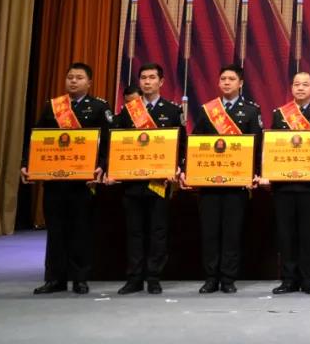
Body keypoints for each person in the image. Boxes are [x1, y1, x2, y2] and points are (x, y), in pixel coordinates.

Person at [21, 62, 113, 295]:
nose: (73, 81)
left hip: (84, 182)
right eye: (70, 77)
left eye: (79, 78)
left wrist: (102, 167)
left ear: (89, 82)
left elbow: (108, 144)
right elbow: (36, 139)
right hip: (55, 180)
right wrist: (26, 164)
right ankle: (55, 279)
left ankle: (80, 278)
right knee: (55, 230)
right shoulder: (53, 106)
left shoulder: (99, 107)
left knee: (81, 230)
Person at [181, 64, 262, 294]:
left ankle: (228, 278)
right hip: (209, 182)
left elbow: (257, 145)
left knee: (232, 232)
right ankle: (210, 278)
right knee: (210, 232)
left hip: (237, 183)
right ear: (218, 83)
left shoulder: (251, 110)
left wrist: (255, 172)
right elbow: (195, 143)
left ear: (241, 83)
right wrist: (188, 170)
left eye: (231, 79)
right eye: (223, 79)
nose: (226, 82)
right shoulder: (208, 110)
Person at [106, 64, 184, 295]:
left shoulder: (172, 110)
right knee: (134, 232)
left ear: (161, 82)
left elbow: (181, 144)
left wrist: (177, 168)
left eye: (152, 77)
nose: (147, 82)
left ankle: (153, 277)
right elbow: (116, 143)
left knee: (158, 231)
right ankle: (134, 278)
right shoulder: (128, 112)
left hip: (158, 183)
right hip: (132, 182)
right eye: (143, 78)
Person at [265, 71, 310, 295]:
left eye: (305, 84)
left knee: (309, 234)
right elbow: (272, 147)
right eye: (296, 84)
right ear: (291, 88)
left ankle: (308, 279)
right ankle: (288, 279)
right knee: (286, 234)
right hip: (284, 185)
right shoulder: (280, 115)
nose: (300, 88)